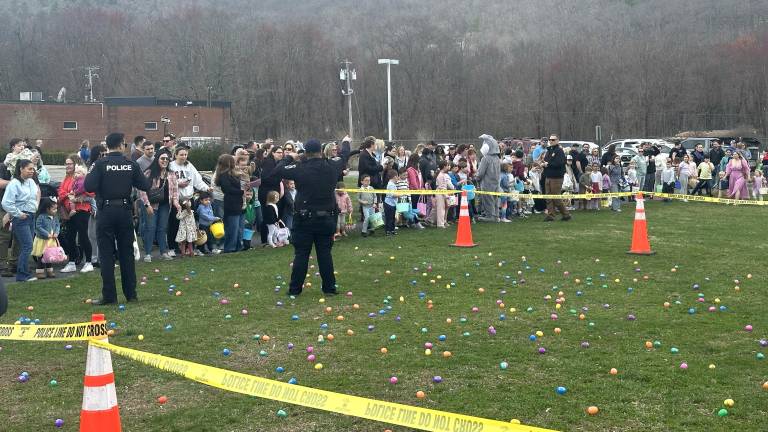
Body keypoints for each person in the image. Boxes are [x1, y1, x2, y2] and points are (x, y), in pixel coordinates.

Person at [264, 139, 348, 296]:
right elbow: (344, 156)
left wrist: (289, 157)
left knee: (301, 254)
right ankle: (329, 288)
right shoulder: (332, 166)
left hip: (304, 219)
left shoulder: (299, 168)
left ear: (306, 153)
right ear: (320, 152)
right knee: (325, 254)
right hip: (327, 218)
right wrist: (346, 142)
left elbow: (277, 171)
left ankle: (295, 290)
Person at [84, 132, 150, 305]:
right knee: (126, 254)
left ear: (107, 146)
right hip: (124, 211)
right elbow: (144, 185)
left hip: (106, 211)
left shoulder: (99, 164)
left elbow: (88, 186)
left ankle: (109, 296)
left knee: (105, 255)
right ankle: (131, 294)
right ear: (121, 145)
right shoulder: (131, 164)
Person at [2, 159, 40, 282]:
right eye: (29, 168)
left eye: (33, 169)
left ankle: (22, 271)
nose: (32, 171)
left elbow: (35, 195)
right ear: (21, 169)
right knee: (27, 246)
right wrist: (18, 214)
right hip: (21, 218)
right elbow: (6, 202)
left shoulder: (31, 182)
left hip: (31, 216)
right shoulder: (14, 184)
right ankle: (23, 274)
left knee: (25, 245)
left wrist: (36, 206)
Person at [138, 149, 178, 262]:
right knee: (150, 228)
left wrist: (175, 202)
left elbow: (175, 190)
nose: (165, 160)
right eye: (162, 158)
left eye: (167, 159)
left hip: (165, 205)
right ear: (157, 159)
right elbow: (142, 190)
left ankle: (163, 252)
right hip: (151, 204)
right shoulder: (149, 172)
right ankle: (148, 253)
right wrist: (147, 204)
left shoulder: (171, 174)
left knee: (162, 228)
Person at [168, 145, 208, 254]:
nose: (183, 156)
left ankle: (189, 248)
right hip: (177, 200)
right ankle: (173, 247)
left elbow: (197, 180)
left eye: (185, 154)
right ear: (175, 155)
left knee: (190, 225)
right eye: (181, 154)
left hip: (189, 200)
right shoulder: (171, 166)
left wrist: (207, 188)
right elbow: (168, 181)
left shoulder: (189, 166)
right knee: (175, 224)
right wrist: (178, 184)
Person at [215, 154, 244, 253]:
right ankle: (230, 247)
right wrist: (241, 191)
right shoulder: (224, 175)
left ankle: (237, 246)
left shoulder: (231, 173)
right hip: (231, 202)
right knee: (232, 226)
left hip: (237, 201)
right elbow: (227, 189)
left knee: (238, 226)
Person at [257, 145, 284, 244]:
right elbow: (266, 178)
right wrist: (279, 178)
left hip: (273, 193)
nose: (281, 154)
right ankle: (265, 239)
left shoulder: (277, 162)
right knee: (268, 217)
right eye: (278, 152)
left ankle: (274, 238)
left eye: (282, 152)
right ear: (273, 153)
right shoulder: (269, 163)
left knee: (274, 216)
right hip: (267, 194)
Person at [542, 135, 571, 221]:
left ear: (557, 140)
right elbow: (547, 160)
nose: (551, 141)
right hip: (548, 176)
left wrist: (548, 164)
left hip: (556, 177)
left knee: (556, 197)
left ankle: (566, 214)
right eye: (550, 139)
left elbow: (560, 163)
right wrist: (543, 164)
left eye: (553, 140)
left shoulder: (559, 151)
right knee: (548, 197)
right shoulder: (549, 150)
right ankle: (551, 215)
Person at [32, 197, 60, 279]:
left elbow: (58, 225)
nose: (56, 211)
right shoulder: (41, 217)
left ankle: (49, 270)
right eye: (54, 209)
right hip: (43, 240)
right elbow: (38, 227)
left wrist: (56, 233)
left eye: (56, 209)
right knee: (42, 256)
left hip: (51, 240)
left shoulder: (55, 217)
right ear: (47, 209)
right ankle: (39, 271)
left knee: (50, 255)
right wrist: (46, 234)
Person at [476, 134, 501, 221]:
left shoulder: (485, 158)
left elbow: (480, 173)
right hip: (496, 182)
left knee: (488, 199)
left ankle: (490, 216)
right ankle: (496, 215)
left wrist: (477, 178)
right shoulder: (497, 158)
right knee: (495, 199)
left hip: (487, 183)